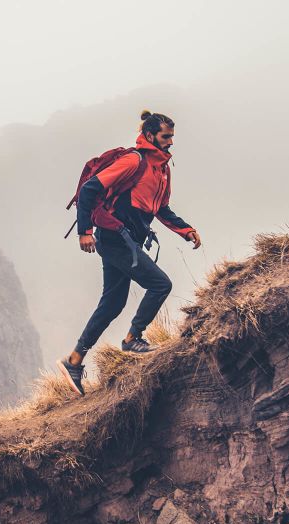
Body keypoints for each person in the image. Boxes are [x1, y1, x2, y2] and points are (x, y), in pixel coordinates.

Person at [58, 110, 201, 396]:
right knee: (160, 284)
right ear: (150, 136)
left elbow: (160, 208)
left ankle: (74, 361)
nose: (171, 142)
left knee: (112, 303)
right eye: (165, 136)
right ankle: (133, 339)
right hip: (114, 238)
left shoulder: (162, 169)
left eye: (172, 136)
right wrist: (84, 231)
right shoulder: (133, 161)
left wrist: (185, 230)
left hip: (128, 240)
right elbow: (89, 191)